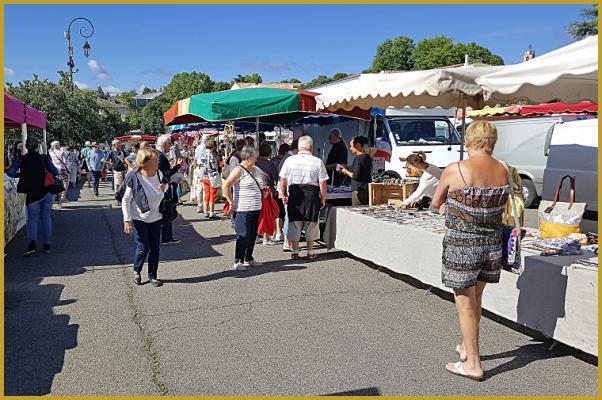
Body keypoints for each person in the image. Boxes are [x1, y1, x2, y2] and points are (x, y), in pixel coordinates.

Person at [431, 120, 510, 382]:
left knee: (465, 305)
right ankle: (467, 347)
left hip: (463, 246)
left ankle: (473, 364)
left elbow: (436, 202)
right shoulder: (503, 170)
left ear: (469, 140)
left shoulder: (456, 169)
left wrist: (451, 207)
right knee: (476, 301)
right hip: (491, 246)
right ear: (492, 141)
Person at [121, 148, 167, 287]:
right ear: (144, 162)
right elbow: (126, 199)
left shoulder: (158, 173)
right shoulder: (134, 176)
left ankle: (153, 275)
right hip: (139, 217)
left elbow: (164, 189)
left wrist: (165, 188)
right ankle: (137, 270)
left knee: (155, 248)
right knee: (143, 246)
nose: (158, 162)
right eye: (155, 160)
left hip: (156, 216)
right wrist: (127, 220)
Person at [279, 135, 328, 260]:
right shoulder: (318, 161)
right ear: (310, 147)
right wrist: (323, 198)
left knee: (294, 223)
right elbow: (322, 182)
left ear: (299, 147)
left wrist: (284, 194)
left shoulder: (289, 160)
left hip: (294, 194)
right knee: (311, 223)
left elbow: (282, 179)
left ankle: (295, 251)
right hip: (311, 195)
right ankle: (310, 252)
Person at [7, 137, 59, 255]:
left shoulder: (22, 159)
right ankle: (47, 245)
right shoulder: (44, 158)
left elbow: (10, 173)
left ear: (26, 146)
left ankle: (32, 244)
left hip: (33, 194)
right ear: (37, 146)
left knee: (32, 220)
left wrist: (22, 174)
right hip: (47, 191)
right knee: (46, 217)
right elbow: (55, 172)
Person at [222, 146, 267, 271]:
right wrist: (231, 201)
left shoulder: (256, 169)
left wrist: (264, 192)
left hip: (256, 207)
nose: (256, 160)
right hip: (243, 208)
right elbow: (226, 186)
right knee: (243, 234)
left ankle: (248, 258)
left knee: (253, 234)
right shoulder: (239, 170)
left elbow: (261, 184)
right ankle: (238, 260)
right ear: (248, 158)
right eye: (254, 158)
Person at [156, 134, 182, 245]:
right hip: (163, 188)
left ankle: (167, 237)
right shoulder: (161, 156)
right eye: (169, 144)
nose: (170, 146)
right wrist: (177, 166)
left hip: (160, 187)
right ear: (165, 144)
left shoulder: (158, 154)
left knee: (165, 212)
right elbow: (166, 174)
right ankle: (167, 238)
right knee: (167, 211)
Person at [337, 136, 372, 205]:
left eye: (351, 146)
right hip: (366, 189)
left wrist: (345, 171)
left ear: (358, 145)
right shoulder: (367, 157)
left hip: (359, 191)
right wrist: (347, 167)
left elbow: (355, 175)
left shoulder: (359, 158)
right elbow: (360, 171)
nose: (350, 149)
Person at [256, 142, 280, 244]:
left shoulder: (254, 162)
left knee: (257, 214)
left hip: (256, 189)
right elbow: (275, 178)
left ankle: (256, 236)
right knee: (266, 214)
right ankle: (266, 237)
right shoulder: (270, 164)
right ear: (269, 153)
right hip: (267, 190)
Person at [200, 140, 221, 218]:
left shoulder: (203, 154)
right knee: (212, 194)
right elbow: (213, 166)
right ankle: (212, 212)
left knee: (207, 194)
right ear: (213, 147)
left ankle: (205, 211)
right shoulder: (211, 155)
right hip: (211, 177)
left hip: (204, 177)